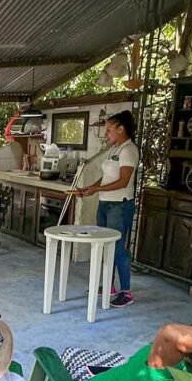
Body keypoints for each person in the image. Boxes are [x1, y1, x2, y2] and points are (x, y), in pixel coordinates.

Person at [77, 110, 140, 309]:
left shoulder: (129, 150)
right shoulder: (115, 149)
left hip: (119, 205)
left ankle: (126, 292)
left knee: (118, 248)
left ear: (121, 129)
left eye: (110, 130)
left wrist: (97, 188)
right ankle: (109, 286)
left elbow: (123, 181)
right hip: (105, 204)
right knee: (106, 246)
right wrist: (92, 189)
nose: (107, 134)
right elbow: (106, 178)